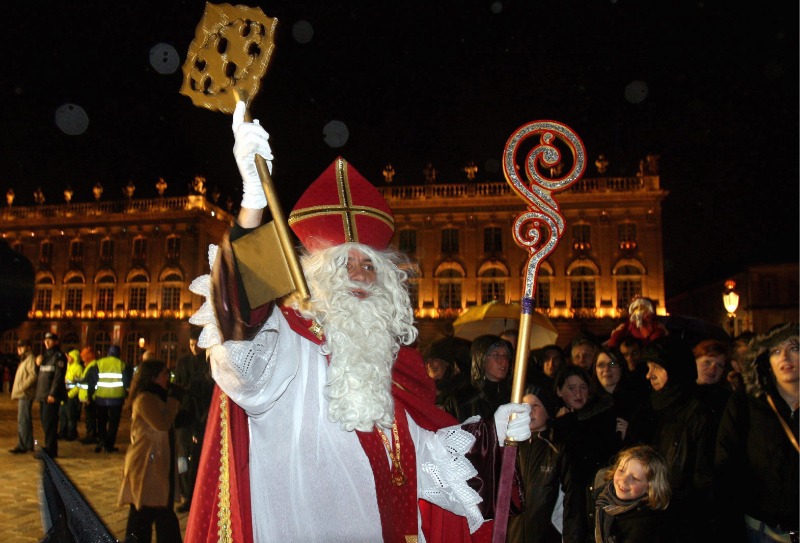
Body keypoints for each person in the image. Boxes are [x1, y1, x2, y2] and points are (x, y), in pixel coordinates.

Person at [184, 101, 532, 543]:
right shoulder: (286, 341)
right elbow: (240, 343)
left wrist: (494, 432)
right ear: (317, 277)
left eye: (370, 266)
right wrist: (252, 205)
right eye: (344, 265)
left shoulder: (385, 366)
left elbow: (423, 463)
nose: (360, 274)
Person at [715, 323, 799, 542]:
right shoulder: (745, 404)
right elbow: (726, 467)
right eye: (776, 350)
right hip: (761, 531)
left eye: (794, 348)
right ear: (766, 360)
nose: (785, 358)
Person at [625, 335, 714, 542]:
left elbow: (703, 477)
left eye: (656, 368)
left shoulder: (698, 413)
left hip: (682, 522)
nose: (649, 375)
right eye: (648, 368)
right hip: (645, 517)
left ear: (675, 369)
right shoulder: (646, 408)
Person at [508, 384, 586, 543]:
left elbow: (572, 503)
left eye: (535, 405)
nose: (528, 411)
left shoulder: (558, 450)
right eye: (524, 406)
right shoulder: (509, 448)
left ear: (548, 411)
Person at [117, 360, 184, 543]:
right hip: (146, 465)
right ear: (153, 377)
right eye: (164, 374)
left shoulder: (160, 396)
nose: (167, 378)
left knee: (158, 512)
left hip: (158, 465)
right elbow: (162, 423)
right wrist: (174, 400)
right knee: (145, 512)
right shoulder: (145, 398)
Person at [552, 365, 624, 501]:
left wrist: (567, 422)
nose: (578, 394)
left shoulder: (603, 416)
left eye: (583, 387)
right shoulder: (553, 421)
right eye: (571, 388)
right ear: (559, 391)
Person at [587, 445, 671, 543]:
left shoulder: (645, 524)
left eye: (635, 478)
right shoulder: (601, 495)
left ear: (650, 487)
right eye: (621, 470)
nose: (623, 480)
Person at [172, 331, 214, 513]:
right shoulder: (182, 363)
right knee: (182, 456)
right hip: (184, 415)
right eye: (190, 344)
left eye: (196, 344)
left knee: (196, 457)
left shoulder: (207, 364)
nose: (193, 348)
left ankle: (194, 493)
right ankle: (184, 491)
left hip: (200, 417)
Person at [454, 334, 513, 422]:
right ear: (480, 358)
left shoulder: (515, 395)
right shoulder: (461, 401)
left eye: (506, 356)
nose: (504, 361)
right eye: (496, 355)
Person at [34, 332, 67, 458]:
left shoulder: (58, 356)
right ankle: (49, 446)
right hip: (43, 394)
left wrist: (52, 394)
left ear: (56, 342)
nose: (46, 342)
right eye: (45, 340)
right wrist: (37, 365)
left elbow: (58, 377)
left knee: (50, 422)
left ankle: (51, 449)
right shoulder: (45, 356)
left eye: (50, 340)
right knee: (44, 421)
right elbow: (40, 375)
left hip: (51, 396)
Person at [421, 336, 471, 416]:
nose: (430, 365)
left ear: (447, 362)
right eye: (427, 361)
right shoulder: (426, 390)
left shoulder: (459, 389)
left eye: (434, 360)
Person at [94, 345, 129, 453]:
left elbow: (93, 379)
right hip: (116, 397)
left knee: (101, 421)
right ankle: (109, 445)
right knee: (114, 423)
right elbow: (126, 381)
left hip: (101, 396)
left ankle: (101, 441)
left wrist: (92, 394)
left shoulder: (99, 363)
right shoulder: (121, 364)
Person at [9, 339, 38, 454]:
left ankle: (23, 445)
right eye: (18, 347)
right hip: (23, 394)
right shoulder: (24, 359)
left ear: (28, 348)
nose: (19, 349)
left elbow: (33, 375)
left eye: (22, 347)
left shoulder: (29, 359)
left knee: (23, 420)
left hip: (25, 394)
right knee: (25, 420)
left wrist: (22, 387)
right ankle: (28, 443)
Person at [59, 348, 83, 441]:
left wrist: (71, 394)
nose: (68, 357)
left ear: (74, 357)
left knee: (71, 416)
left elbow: (79, 384)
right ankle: (62, 432)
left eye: (69, 356)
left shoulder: (78, 368)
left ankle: (71, 433)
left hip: (71, 396)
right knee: (62, 415)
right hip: (64, 395)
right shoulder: (68, 366)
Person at [78, 347, 99, 445]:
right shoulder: (90, 365)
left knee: (90, 418)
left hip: (90, 397)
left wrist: (89, 396)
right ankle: (90, 434)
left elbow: (91, 382)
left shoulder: (92, 366)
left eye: (83, 356)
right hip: (88, 396)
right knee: (89, 417)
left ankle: (91, 436)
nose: (82, 359)